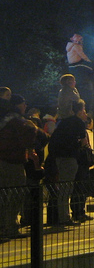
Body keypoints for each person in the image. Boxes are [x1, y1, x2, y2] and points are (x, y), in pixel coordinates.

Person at [45, 100, 90, 226]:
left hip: (56, 157)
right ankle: (64, 217)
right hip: (69, 157)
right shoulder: (78, 123)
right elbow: (83, 141)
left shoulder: (63, 122)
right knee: (66, 188)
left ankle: (56, 216)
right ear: (80, 111)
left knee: (60, 187)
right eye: (84, 110)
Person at [0, 94, 38, 239]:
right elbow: (29, 135)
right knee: (15, 195)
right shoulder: (18, 121)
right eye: (24, 104)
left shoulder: (4, 119)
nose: (25, 106)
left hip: (4, 160)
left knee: (4, 195)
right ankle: (9, 228)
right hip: (12, 161)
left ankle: (4, 227)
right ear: (18, 105)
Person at [66, 34, 93, 105]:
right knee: (91, 69)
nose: (82, 41)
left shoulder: (70, 47)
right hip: (77, 65)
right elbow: (82, 55)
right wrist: (90, 61)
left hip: (71, 66)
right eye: (81, 40)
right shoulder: (76, 46)